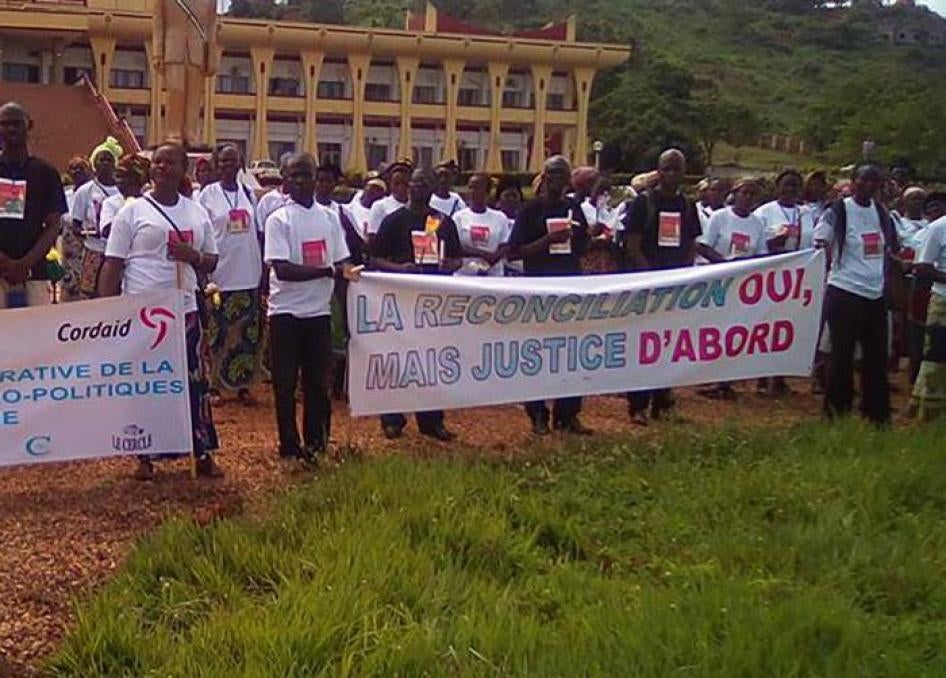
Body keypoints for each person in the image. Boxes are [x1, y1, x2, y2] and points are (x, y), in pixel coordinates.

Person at [100, 142, 222, 479]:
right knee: (148, 383)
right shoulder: (133, 211)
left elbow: (212, 258)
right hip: (143, 312)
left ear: (184, 169)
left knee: (193, 381)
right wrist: (108, 313)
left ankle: (202, 450)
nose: (161, 168)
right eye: (157, 163)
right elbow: (113, 264)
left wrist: (192, 256)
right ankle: (145, 456)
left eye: (170, 163)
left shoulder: (196, 212)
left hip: (185, 310)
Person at [264, 153, 356, 462]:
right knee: (285, 384)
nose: (302, 181)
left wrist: (351, 273)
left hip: (319, 313)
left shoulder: (330, 218)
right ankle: (289, 446)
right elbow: (283, 270)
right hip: (285, 313)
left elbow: (341, 259)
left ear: (316, 178)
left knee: (318, 384)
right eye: (295, 176)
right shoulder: (278, 219)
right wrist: (327, 271)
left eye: (307, 175)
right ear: (285, 182)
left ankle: (317, 444)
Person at [371, 167, 462, 441]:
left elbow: (457, 258)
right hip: (401, 299)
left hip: (433, 300)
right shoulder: (393, 220)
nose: (418, 187)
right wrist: (400, 269)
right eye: (415, 182)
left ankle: (431, 420)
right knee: (398, 359)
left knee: (430, 360)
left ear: (433, 187)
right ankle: (392, 419)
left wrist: (450, 264)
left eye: (425, 183)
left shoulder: (442, 221)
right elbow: (374, 258)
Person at [509, 155, 591, 436]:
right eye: (553, 174)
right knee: (540, 355)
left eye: (563, 175)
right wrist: (548, 242)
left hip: (569, 289)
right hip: (539, 291)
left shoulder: (573, 208)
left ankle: (568, 415)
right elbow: (515, 252)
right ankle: (538, 415)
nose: (558, 180)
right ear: (544, 176)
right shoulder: (530, 211)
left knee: (571, 353)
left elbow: (583, 246)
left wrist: (581, 240)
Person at [814, 164, 899, 426]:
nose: (870, 185)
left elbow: (891, 248)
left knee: (876, 357)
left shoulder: (883, 214)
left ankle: (876, 414)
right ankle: (836, 413)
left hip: (875, 294)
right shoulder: (838, 211)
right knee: (841, 356)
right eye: (864, 180)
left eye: (876, 181)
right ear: (853, 182)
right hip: (845, 291)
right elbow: (820, 242)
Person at [623, 148, 702, 426]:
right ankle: (638, 405)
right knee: (643, 347)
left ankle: (663, 402)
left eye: (676, 168)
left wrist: (682, 276)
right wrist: (652, 277)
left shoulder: (687, 206)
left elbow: (691, 243)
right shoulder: (644, 203)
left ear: (684, 172)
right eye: (666, 168)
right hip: (647, 286)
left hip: (674, 287)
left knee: (669, 346)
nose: (671, 174)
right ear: (658, 170)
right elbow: (632, 245)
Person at [197, 143, 263, 407]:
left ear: (241, 164)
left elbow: (256, 232)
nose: (228, 166)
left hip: (248, 272)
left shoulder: (248, 193)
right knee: (218, 333)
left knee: (247, 333)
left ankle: (242, 384)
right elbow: (202, 235)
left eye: (233, 161)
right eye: (223, 162)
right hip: (220, 275)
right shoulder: (207, 196)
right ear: (216, 164)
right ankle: (214, 385)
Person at [696, 178, 766, 400]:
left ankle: (724, 381)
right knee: (714, 328)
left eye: (753, 195)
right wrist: (726, 265)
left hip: (742, 285)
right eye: (745, 193)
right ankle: (707, 375)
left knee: (734, 330)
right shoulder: (720, 217)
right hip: (717, 281)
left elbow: (761, 254)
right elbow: (703, 245)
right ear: (735, 194)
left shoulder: (757, 223)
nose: (748, 198)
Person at [0, 102, 67, 310]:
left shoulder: (46, 172)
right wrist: (6, 264)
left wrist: (24, 264)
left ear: (29, 126)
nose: (11, 129)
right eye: (5, 124)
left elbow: (54, 225)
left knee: (36, 338)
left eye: (17, 123)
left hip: (35, 274)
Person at [757, 169, 814, 396]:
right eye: (786, 185)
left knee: (788, 327)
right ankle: (762, 378)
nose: (790, 190)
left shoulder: (806, 212)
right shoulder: (765, 212)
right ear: (777, 187)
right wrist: (775, 241)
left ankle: (779, 377)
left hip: (798, 277)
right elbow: (759, 245)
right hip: (773, 275)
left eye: (795, 186)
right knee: (767, 325)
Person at [72, 136, 123, 299]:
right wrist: (87, 232)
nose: (105, 163)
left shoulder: (122, 190)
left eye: (109, 159)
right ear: (95, 164)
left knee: (115, 292)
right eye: (101, 159)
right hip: (94, 250)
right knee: (91, 295)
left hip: (118, 252)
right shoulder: (85, 191)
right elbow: (75, 224)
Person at [911, 193, 946, 420]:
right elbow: (922, 266)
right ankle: (928, 414)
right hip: (943, 300)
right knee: (936, 357)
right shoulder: (938, 228)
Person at [453, 173, 511, 277]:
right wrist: (483, 254)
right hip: (465, 275)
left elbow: (505, 245)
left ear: (487, 192)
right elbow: (457, 246)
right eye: (470, 187)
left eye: (477, 188)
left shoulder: (500, 217)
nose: (472, 191)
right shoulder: (458, 217)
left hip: (494, 276)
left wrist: (493, 258)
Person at [61, 157, 93, 302]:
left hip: (88, 244)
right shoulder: (65, 194)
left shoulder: (93, 193)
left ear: (90, 170)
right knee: (69, 285)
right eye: (73, 168)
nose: (77, 171)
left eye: (81, 167)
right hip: (69, 247)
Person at [99, 154, 150, 241]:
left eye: (124, 176)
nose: (119, 181)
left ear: (137, 178)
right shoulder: (111, 203)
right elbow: (106, 231)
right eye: (117, 176)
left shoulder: (150, 201)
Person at [367, 160, 412, 243]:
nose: (401, 188)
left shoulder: (417, 207)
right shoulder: (380, 206)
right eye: (396, 184)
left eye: (405, 184)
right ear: (390, 184)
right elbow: (373, 236)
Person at [494, 176, 524, 275]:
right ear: (498, 200)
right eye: (507, 196)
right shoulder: (494, 220)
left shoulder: (525, 221)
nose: (511, 200)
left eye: (514, 196)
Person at [347, 175, 387, 242]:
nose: (373, 191)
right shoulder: (347, 209)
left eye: (378, 190)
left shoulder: (384, 213)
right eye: (371, 188)